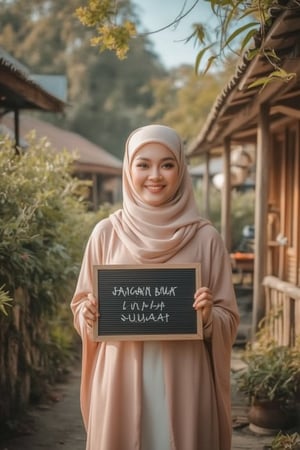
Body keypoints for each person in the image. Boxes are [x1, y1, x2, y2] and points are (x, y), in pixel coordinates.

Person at [71, 124, 240, 450]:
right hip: (120, 377)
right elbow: (81, 305)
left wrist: (208, 317)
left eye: (167, 164)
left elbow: (228, 318)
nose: (155, 175)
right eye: (143, 164)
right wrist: (88, 312)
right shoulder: (106, 233)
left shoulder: (206, 238)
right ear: (128, 168)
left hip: (186, 380)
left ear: (181, 169)